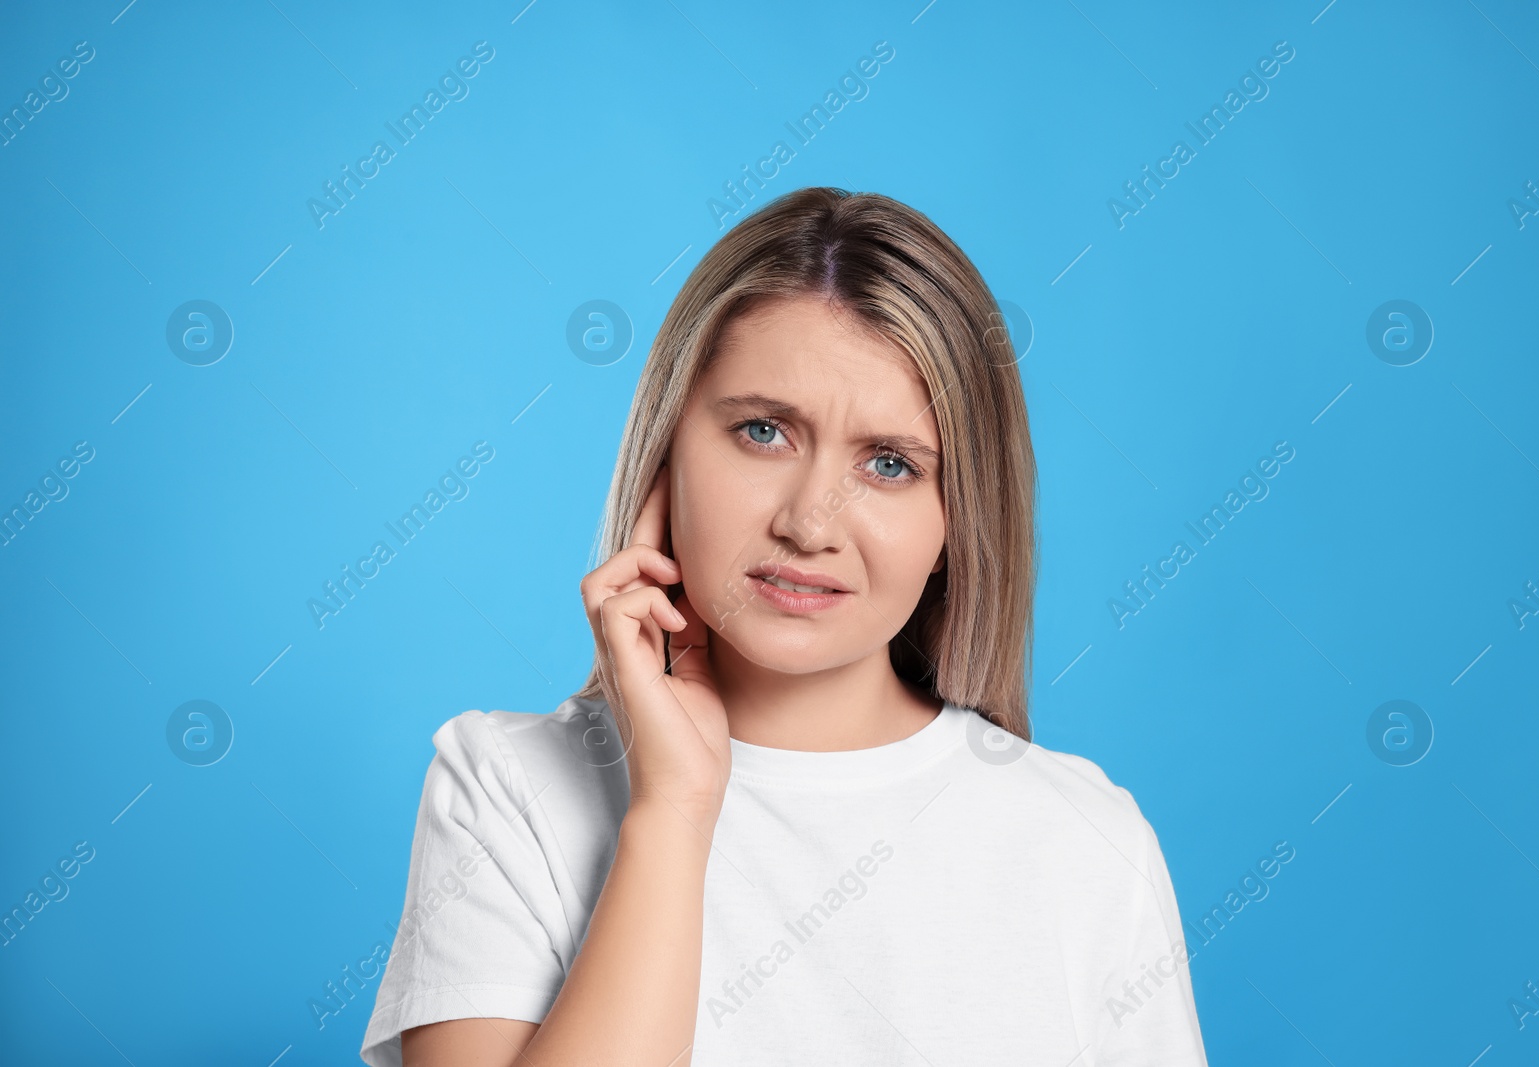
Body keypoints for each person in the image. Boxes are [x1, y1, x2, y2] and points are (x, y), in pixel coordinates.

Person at [359, 186, 1208, 1066]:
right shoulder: (509, 789)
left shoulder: (1087, 842)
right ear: (666, 455)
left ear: (958, 521)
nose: (810, 522)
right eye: (763, 431)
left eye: (889, 464)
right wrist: (673, 814)